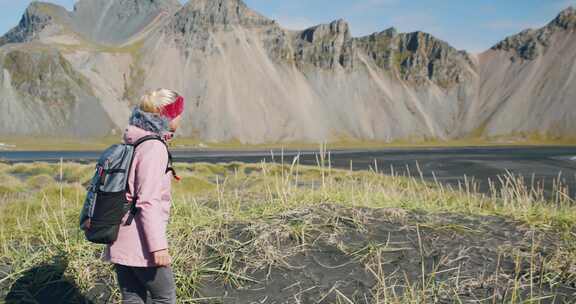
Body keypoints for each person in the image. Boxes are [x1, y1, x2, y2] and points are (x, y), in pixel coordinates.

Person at [104, 89, 184, 304]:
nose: (181, 118)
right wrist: (158, 246)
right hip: (141, 242)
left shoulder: (133, 140)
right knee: (164, 299)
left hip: (119, 235)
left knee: (132, 297)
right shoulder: (153, 148)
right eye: (179, 112)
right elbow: (147, 200)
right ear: (168, 115)